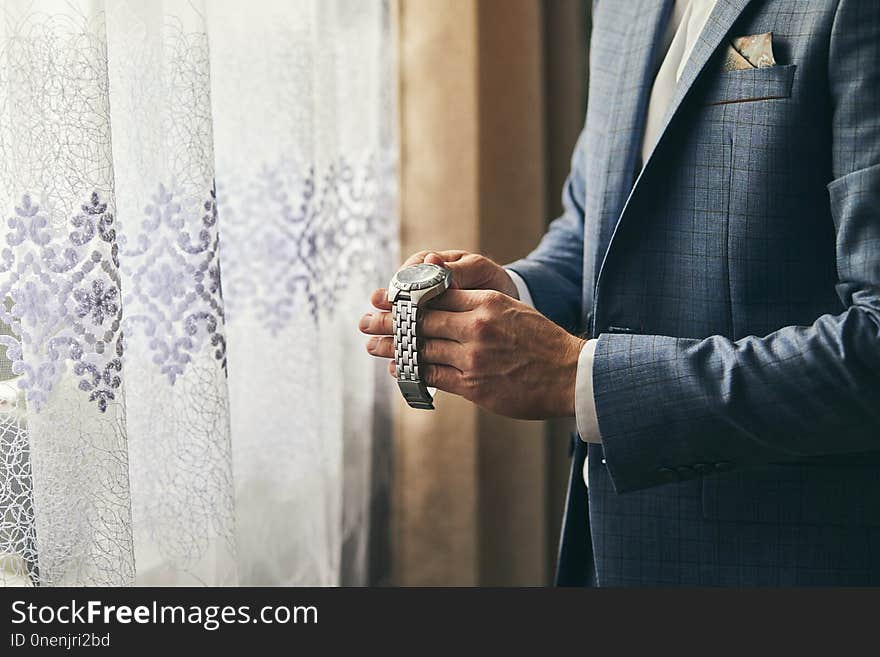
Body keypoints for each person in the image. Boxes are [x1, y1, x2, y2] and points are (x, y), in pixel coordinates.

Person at [360, 0, 880, 585]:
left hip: (785, 565)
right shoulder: (622, 8)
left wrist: (578, 377)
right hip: (606, 548)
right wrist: (513, 290)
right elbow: (594, 228)